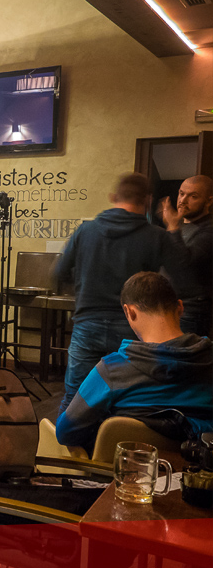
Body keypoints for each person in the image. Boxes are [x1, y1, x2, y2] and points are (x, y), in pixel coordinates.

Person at [56, 172, 187, 415]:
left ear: (114, 197)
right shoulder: (156, 236)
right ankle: (112, 447)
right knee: (127, 399)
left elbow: (59, 272)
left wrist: (86, 283)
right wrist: (174, 228)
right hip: (133, 325)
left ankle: (64, 447)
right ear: (147, 200)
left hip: (87, 323)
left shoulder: (85, 231)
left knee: (76, 397)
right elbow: (183, 277)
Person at [56, 272, 212, 454]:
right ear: (180, 307)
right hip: (197, 473)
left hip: (125, 476)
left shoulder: (112, 370)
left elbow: (65, 432)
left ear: (129, 312)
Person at [161, 174, 212, 337]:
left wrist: (173, 227)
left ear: (209, 201)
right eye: (181, 193)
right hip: (166, 307)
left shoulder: (209, 230)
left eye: (193, 196)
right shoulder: (179, 227)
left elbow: (184, 264)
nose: (183, 200)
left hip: (191, 311)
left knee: (184, 360)